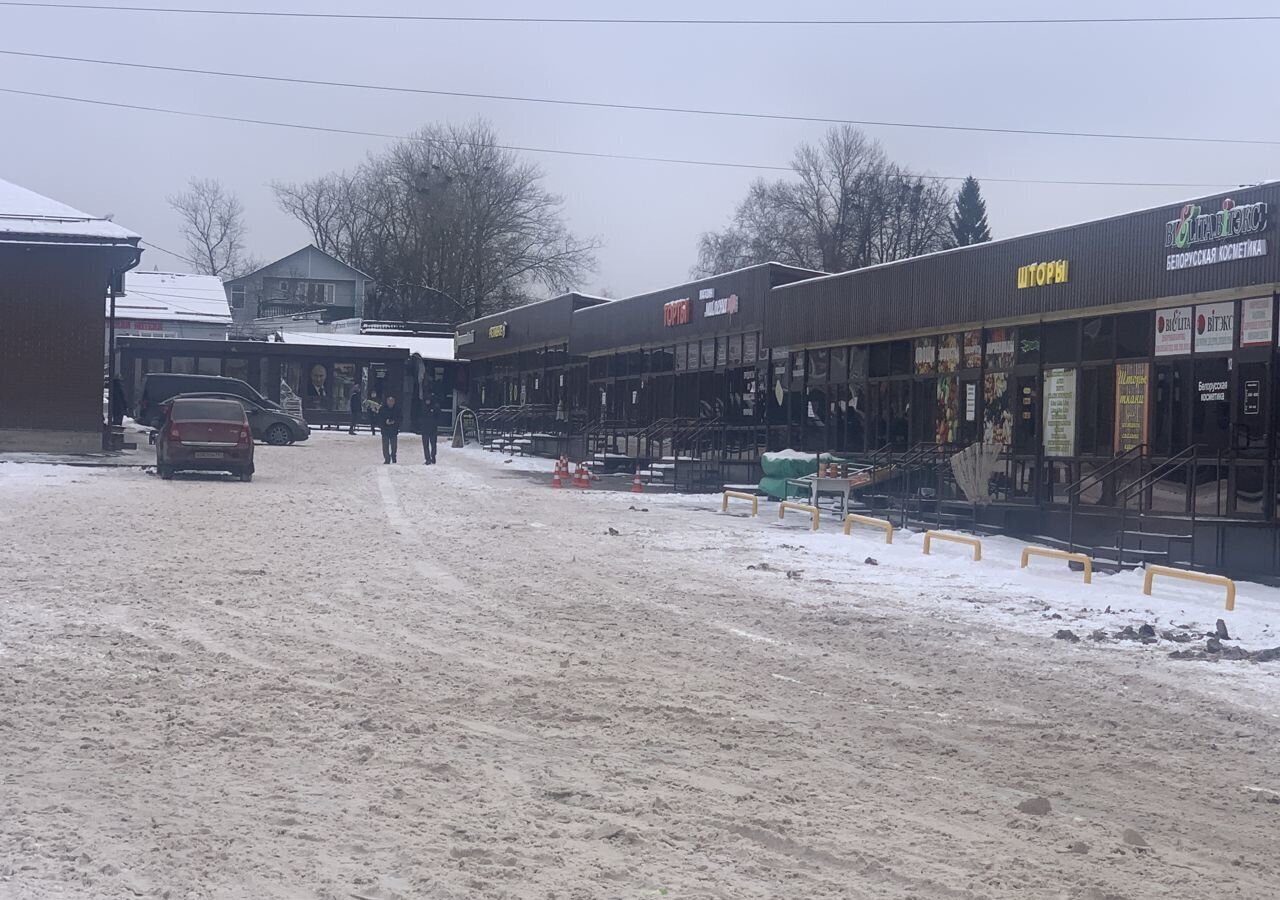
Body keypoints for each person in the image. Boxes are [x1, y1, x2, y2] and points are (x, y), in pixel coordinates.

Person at [380, 395, 402, 464]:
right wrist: (384, 422)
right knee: (385, 446)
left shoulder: (397, 409)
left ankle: (394, 457)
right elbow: (379, 419)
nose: (390, 402)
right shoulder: (383, 409)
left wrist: (394, 422)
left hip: (393, 430)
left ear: (394, 402)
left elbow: (400, 418)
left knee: (394, 446)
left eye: (392, 401)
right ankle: (387, 458)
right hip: (385, 430)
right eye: (389, 401)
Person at [418, 390, 437, 465]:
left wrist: (435, 424)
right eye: (426, 400)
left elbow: (438, 417)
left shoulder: (435, 407)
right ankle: (427, 459)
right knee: (425, 445)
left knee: (433, 444)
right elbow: (419, 416)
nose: (427, 402)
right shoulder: (422, 407)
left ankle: (433, 456)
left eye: (428, 400)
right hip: (425, 429)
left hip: (433, 429)